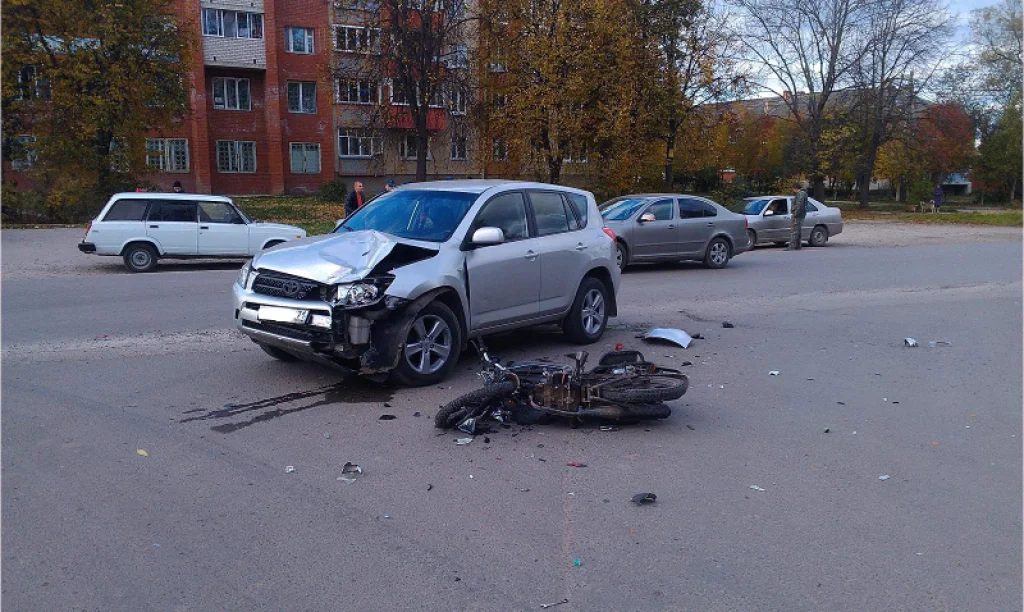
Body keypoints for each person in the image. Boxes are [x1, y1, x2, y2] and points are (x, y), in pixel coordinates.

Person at [787, 181, 807, 251]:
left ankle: (792, 246)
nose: (792, 190)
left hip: (798, 215)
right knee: (798, 230)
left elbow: (799, 205)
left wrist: (795, 214)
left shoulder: (800, 194)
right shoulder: (802, 193)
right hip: (800, 214)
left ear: (795, 188)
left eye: (793, 188)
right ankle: (797, 245)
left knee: (795, 230)